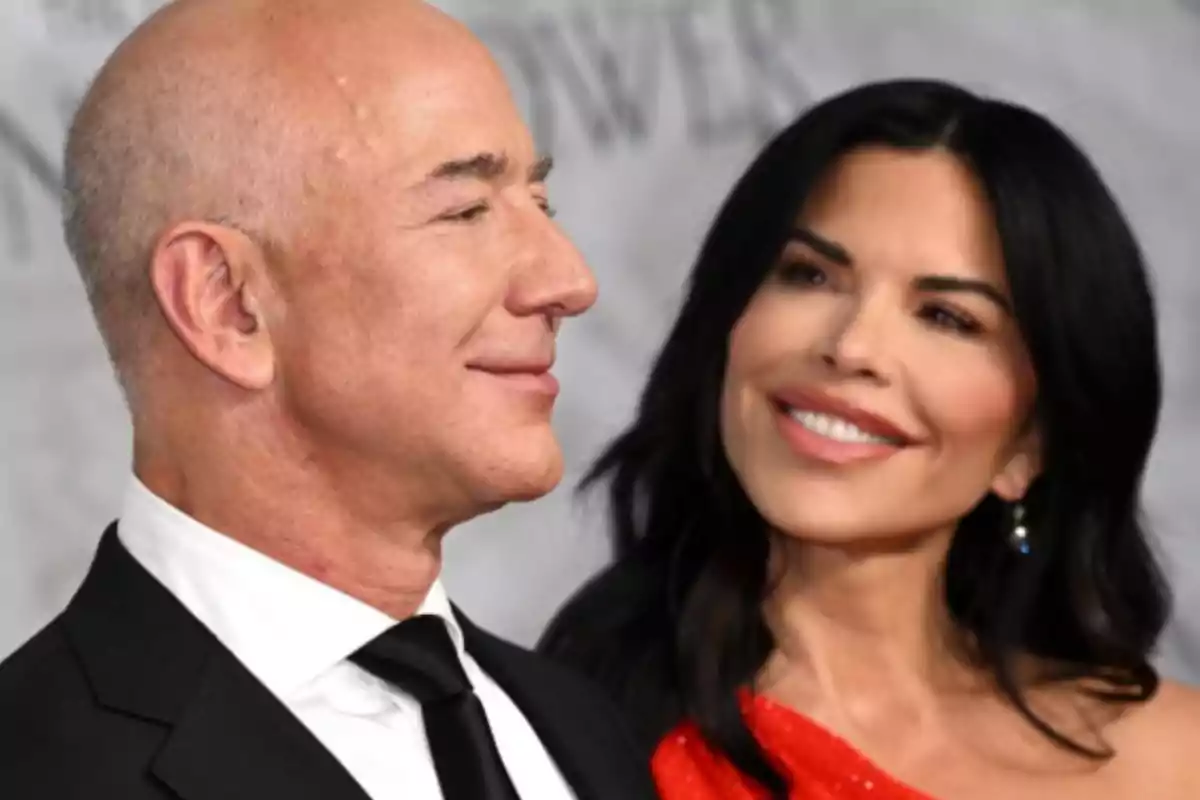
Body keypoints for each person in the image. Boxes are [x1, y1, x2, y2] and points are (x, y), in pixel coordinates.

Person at [0, 1, 657, 799]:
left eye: (541, 205)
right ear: (227, 303)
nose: (570, 282)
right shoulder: (36, 765)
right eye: (466, 211)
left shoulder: (580, 723)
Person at [540, 79, 1200, 799]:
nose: (852, 346)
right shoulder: (564, 739)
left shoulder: (1171, 757)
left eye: (947, 317)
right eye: (809, 274)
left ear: (1029, 448)